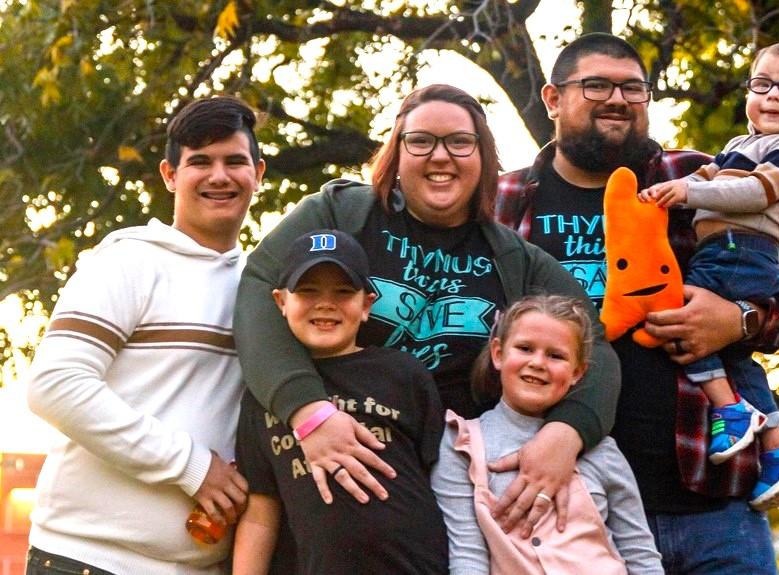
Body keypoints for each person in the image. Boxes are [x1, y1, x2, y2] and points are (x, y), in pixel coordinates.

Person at [495, 33, 779, 573]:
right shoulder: (504, 199)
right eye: (595, 85)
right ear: (553, 99)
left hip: (714, 503)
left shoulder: (696, 178)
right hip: (573, 506)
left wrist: (736, 320)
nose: (617, 99)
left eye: (633, 88)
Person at [234, 84, 621, 538]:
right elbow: (260, 288)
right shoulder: (343, 214)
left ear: (484, 157)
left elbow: (596, 350)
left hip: (452, 498)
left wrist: (565, 436)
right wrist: (308, 411)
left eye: (460, 142)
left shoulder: (516, 258)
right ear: (396, 152)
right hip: (323, 477)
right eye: (421, 141)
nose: (441, 156)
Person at [25, 96, 264, 574]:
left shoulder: (263, 286)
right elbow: (54, 385)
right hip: (86, 559)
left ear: (258, 173)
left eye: (235, 161)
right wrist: (192, 467)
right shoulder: (129, 260)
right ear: (170, 175)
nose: (220, 175)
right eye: (200, 162)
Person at [638, 41, 779, 509]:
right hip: (720, 251)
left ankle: (730, 410)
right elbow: (708, 177)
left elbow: (754, 194)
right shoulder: (740, 145)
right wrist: (666, 190)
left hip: (743, 251)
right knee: (735, 359)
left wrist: (687, 192)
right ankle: (778, 445)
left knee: (677, 316)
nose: (773, 97)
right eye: (762, 85)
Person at [232, 229, 448, 574]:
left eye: (344, 291)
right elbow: (261, 513)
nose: (325, 303)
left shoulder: (404, 374)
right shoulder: (264, 394)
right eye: (307, 290)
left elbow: (441, 481)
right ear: (280, 302)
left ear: (366, 305)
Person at [432, 295, 663, 575]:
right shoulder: (462, 443)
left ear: (578, 372)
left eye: (556, 356)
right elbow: (467, 556)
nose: (538, 363)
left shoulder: (602, 450)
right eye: (525, 348)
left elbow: (641, 553)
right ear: (498, 353)